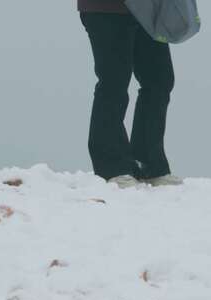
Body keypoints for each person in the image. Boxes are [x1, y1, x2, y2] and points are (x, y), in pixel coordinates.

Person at [78, 0, 184, 188]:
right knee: (113, 82)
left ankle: (148, 164)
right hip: (106, 9)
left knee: (159, 80)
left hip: (148, 11)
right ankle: (112, 167)